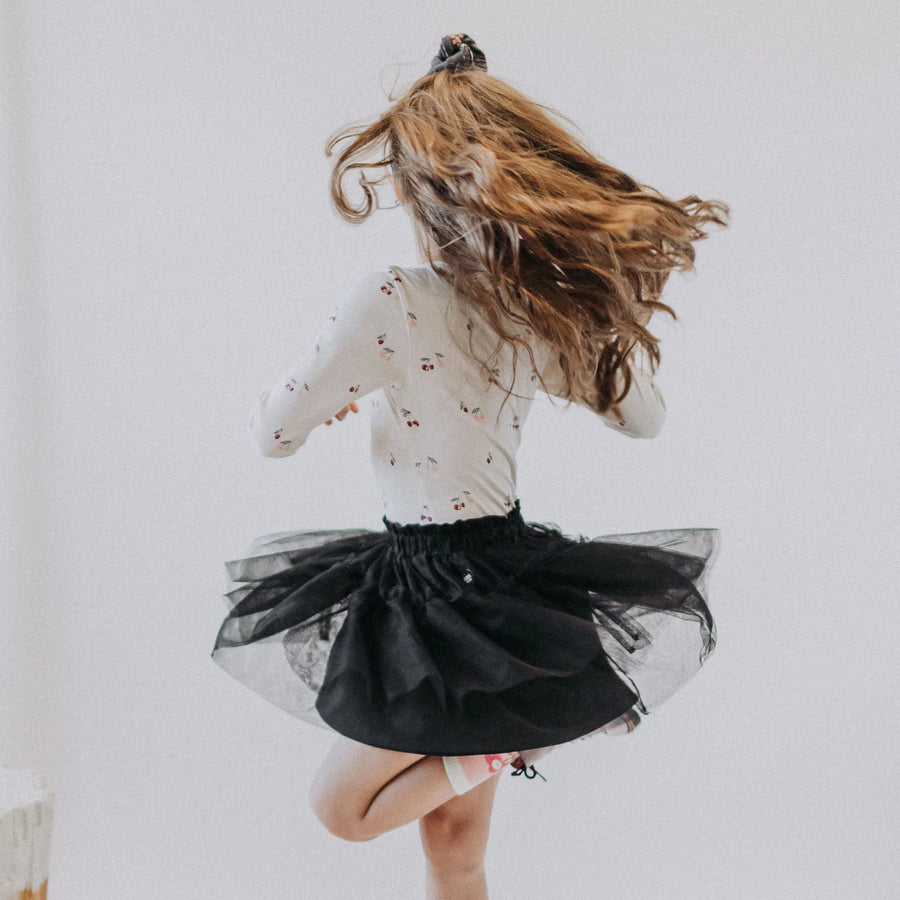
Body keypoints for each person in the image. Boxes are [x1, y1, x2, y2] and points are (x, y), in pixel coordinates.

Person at [212, 34, 728, 899]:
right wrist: (586, 315)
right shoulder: (526, 308)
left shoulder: (392, 298)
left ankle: (501, 743)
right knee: (455, 847)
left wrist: (338, 392)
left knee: (341, 809)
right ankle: (504, 742)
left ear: (419, 188)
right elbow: (645, 418)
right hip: (500, 581)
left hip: (431, 588)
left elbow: (272, 432)